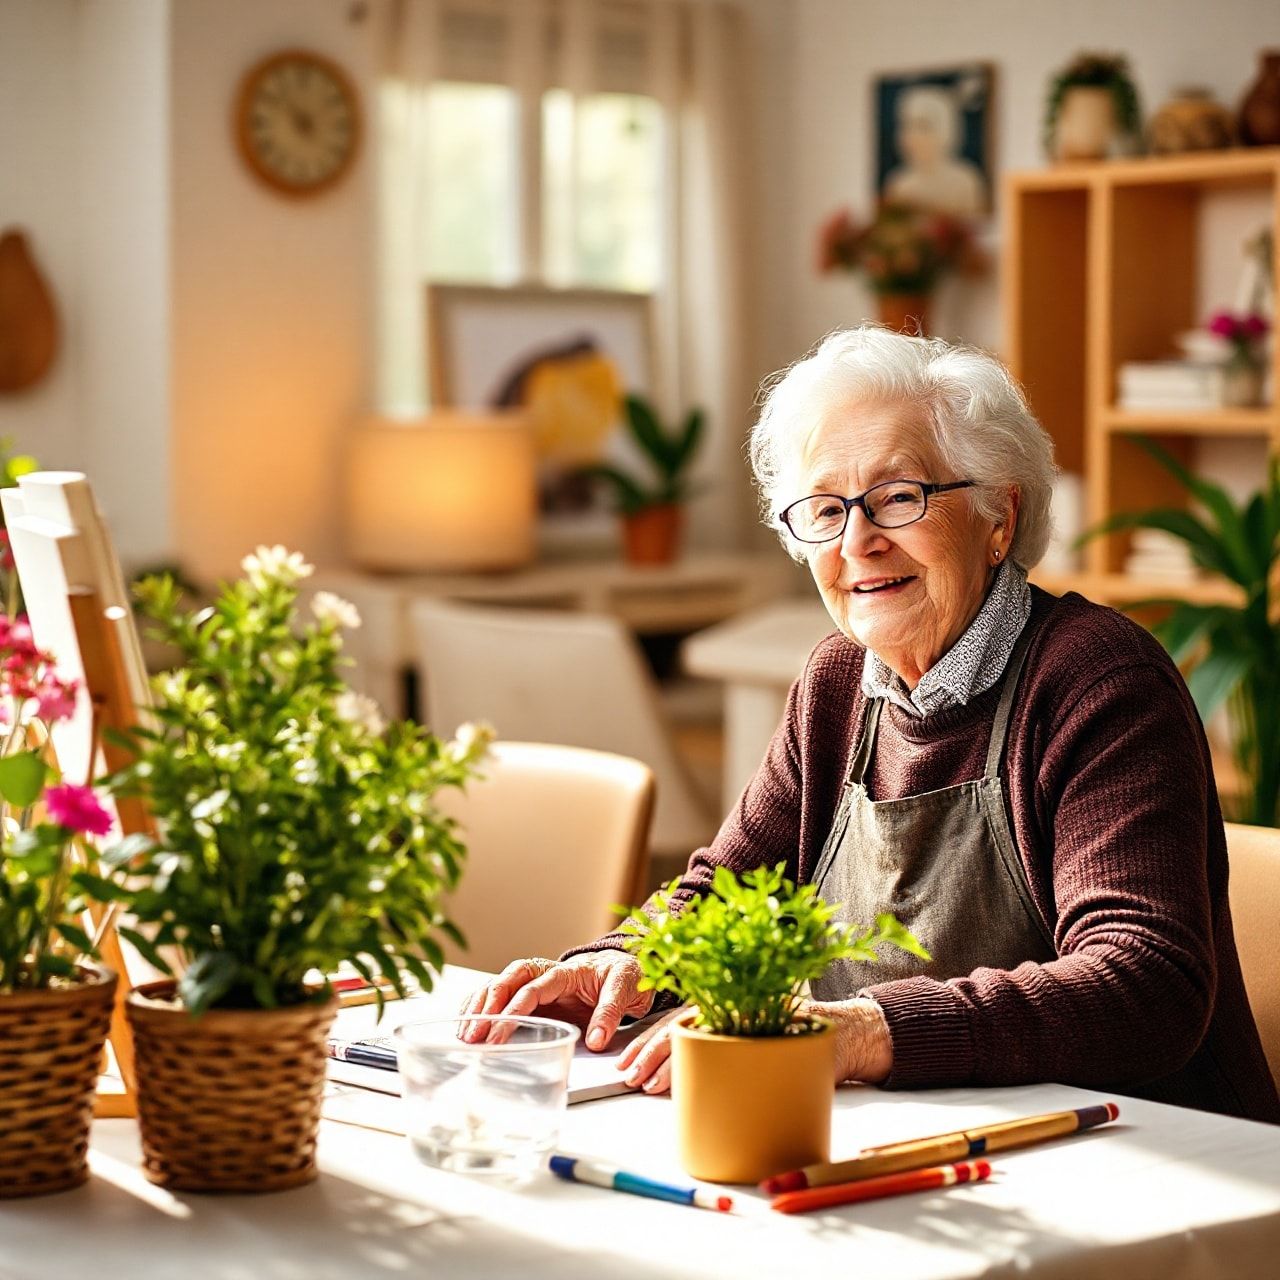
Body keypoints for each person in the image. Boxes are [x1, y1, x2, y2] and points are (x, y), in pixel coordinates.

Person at [462, 326, 1280, 1124]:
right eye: (823, 509)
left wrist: (865, 1031)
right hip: (924, 1141)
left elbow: (1146, 986)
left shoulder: (1098, 681)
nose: (858, 542)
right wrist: (626, 960)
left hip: (1151, 1168)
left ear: (999, 517)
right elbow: (729, 889)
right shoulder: (836, 682)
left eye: (898, 497)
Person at [882, 85, 986, 218]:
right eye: (906, 125)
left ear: (945, 130)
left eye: (922, 126)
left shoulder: (966, 181)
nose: (912, 136)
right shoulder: (898, 183)